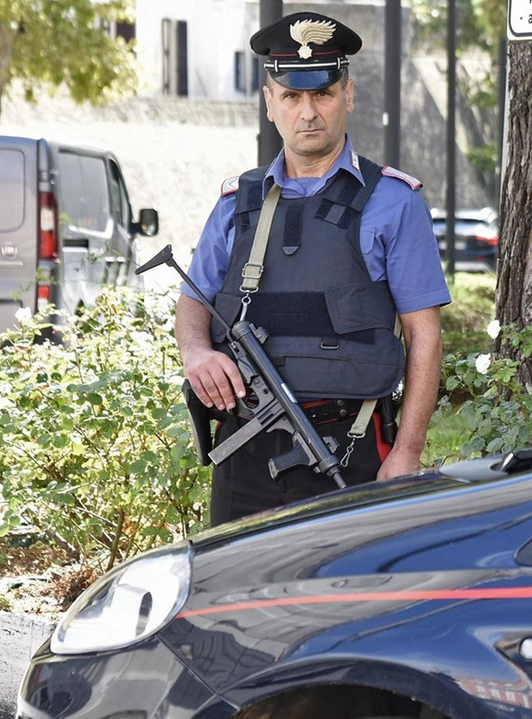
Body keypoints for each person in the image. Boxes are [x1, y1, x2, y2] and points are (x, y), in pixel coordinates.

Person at [174, 11, 451, 526]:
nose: (308, 112)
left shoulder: (394, 201)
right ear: (269, 103)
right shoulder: (238, 202)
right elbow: (195, 298)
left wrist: (408, 451)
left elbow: (425, 336)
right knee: (233, 601)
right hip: (243, 445)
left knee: (344, 601)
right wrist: (195, 352)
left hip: (348, 445)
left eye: (322, 94)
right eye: (292, 96)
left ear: (349, 95)